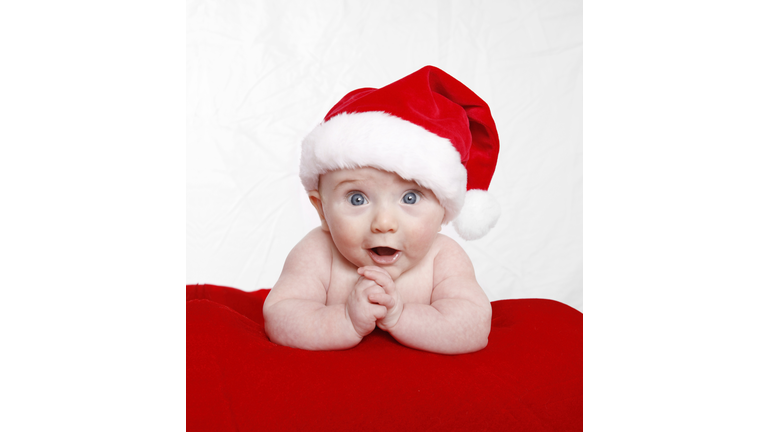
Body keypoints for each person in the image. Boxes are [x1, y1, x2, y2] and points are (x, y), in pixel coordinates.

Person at [263, 66, 501, 354]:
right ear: (322, 210)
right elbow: (280, 316)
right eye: (357, 199)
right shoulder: (317, 252)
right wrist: (344, 320)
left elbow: (474, 327)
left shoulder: (443, 258)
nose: (384, 223)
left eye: (411, 198)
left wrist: (400, 316)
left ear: (444, 210)